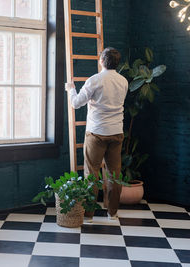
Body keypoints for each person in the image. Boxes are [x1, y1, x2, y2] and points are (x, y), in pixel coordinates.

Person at [65, 47, 128, 220]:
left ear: (101, 61)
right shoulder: (123, 81)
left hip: (97, 132)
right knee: (114, 174)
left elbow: (76, 103)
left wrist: (71, 88)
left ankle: (88, 214)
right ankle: (112, 213)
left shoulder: (95, 80)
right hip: (116, 132)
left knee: (91, 173)